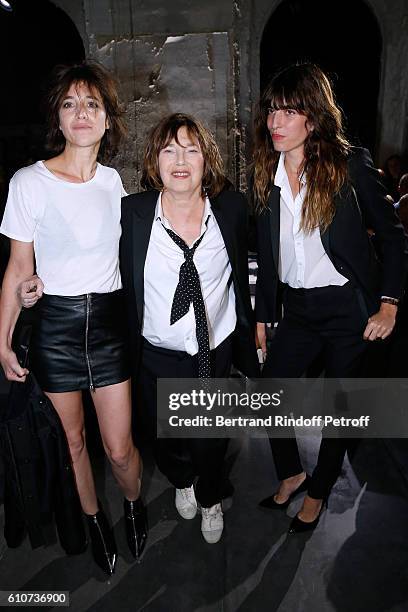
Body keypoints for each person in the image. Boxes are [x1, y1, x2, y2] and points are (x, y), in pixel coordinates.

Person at [0, 61, 147, 575]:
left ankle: (131, 504)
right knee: (73, 443)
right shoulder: (29, 182)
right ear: (57, 119)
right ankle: (94, 521)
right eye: (69, 104)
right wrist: (2, 340)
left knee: (120, 448)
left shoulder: (115, 185)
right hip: (55, 328)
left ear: (108, 120)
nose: (81, 113)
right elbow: (19, 266)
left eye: (92, 104)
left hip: (107, 328)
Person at [253, 63, 407, 533]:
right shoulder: (266, 172)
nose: (275, 123)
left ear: (313, 119)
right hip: (297, 311)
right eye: (271, 113)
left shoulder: (348, 165)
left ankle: (317, 491)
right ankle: (292, 472)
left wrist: (388, 304)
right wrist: (261, 318)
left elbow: (394, 236)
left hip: (346, 310)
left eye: (289, 112)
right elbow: (265, 254)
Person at [120, 113, 260, 543]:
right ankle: (181, 480)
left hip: (211, 350)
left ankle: (210, 497)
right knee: (164, 439)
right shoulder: (133, 213)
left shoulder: (231, 209)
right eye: (169, 150)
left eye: (191, 149)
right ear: (154, 161)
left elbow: (255, 264)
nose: (180, 159)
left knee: (209, 439)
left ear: (207, 159)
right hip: (154, 354)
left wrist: (258, 321)